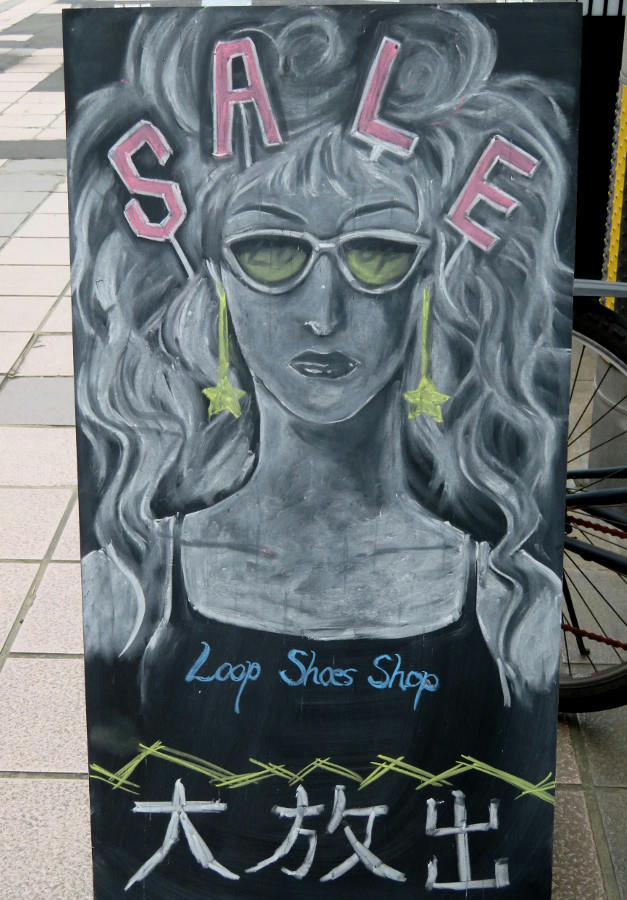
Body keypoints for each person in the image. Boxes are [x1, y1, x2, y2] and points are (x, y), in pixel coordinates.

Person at [68, 7, 575, 894]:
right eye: (270, 250)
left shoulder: (509, 608)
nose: (323, 312)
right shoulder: (131, 593)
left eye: (376, 252)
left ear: (428, 280)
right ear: (214, 281)